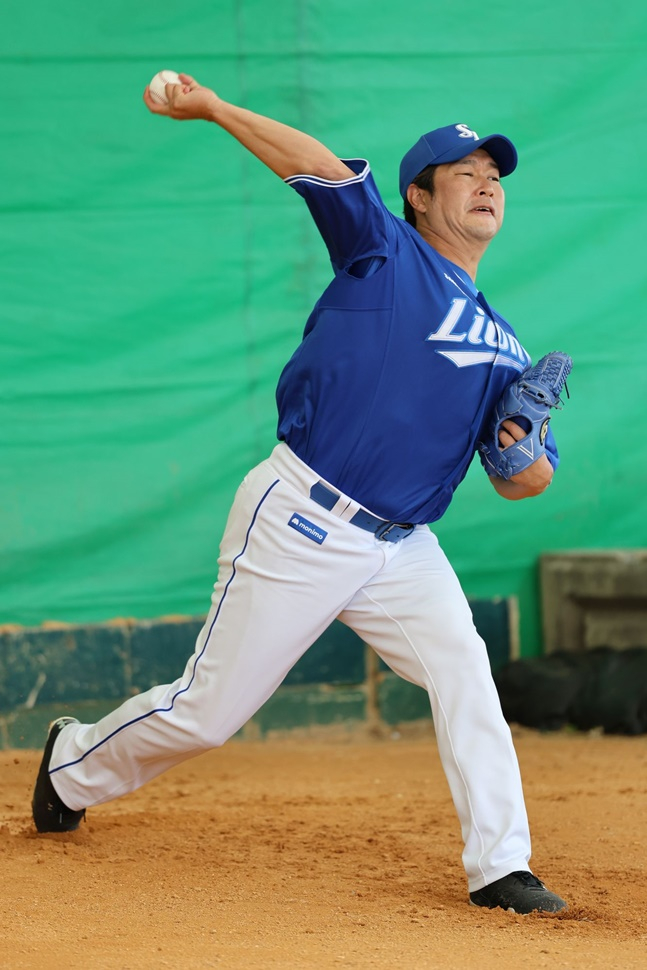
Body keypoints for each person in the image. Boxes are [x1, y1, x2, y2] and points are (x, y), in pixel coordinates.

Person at [32, 74, 567, 914]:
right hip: (302, 518)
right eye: (463, 172)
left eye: (492, 173)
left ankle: (501, 865)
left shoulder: (507, 347)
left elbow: (526, 484)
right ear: (418, 197)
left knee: (465, 672)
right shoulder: (385, 250)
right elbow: (315, 164)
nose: (485, 183)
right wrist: (214, 108)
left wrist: (518, 446)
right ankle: (71, 763)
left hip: (403, 549)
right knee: (207, 714)